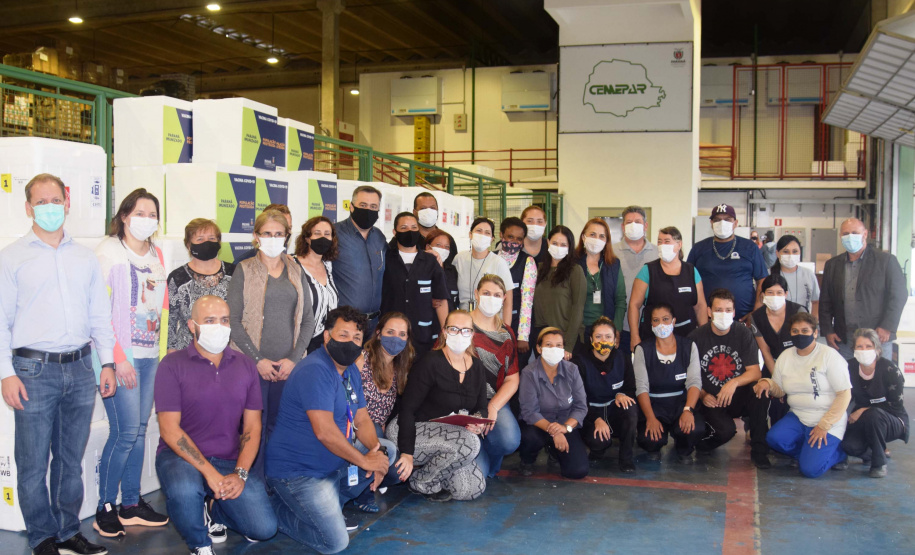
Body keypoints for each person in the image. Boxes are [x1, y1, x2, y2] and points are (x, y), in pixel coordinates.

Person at [0, 173, 117, 555]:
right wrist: (6, 373)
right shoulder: (11, 257)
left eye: (56, 200)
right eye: (41, 201)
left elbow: (100, 315)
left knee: (70, 460)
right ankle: (42, 537)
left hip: (81, 367)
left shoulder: (84, 257)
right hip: (32, 371)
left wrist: (107, 363)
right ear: (28, 207)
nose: (50, 207)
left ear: (67, 204)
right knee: (33, 462)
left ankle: (68, 531)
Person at [155, 296, 277, 555]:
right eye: (209, 320)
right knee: (185, 491)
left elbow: (252, 427)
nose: (218, 327)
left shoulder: (245, 365)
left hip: (227, 459)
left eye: (224, 320)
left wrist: (240, 474)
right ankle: (200, 543)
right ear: (192, 325)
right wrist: (211, 475)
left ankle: (215, 509)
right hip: (180, 458)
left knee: (264, 529)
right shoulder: (171, 365)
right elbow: (169, 429)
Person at [266, 306, 394, 552]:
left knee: (386, 449)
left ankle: (329, 506)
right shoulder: (315, 370)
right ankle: (275, 510)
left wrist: (376, 453)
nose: (350, 342)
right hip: (299, 472)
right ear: (327, 336)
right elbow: (324, 432)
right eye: (343, 335)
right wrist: (365, 461)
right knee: (334, 543)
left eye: (356, 337)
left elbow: (362, 420)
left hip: (333, 464)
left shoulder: (350, 370)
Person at [93, 188, 169, 537]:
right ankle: (105, 506)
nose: (146, 219)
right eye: (139, 213)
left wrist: (161, 354)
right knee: (124, 433)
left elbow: (161, 308)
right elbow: (99, 312)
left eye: (152, 214)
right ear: (124, 216)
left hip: (150, 355)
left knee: (138, 431)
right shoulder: (108, 252)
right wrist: (116, 360)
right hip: (120, 358)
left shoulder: (156, 253)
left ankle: (131, 504)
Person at [226, 210, 315, 458]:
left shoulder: (296, 270)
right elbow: (233, 320)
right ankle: (251, 476)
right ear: (256, 236)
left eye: (279, 234)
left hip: (287, 367)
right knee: (252, 429)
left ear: (287, 236)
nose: (273, 239)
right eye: (267, 233)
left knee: (281, 428)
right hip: (251, 365)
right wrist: (258, 360)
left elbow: (307, 320)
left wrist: (293, 359)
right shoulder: (244, 270)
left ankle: (276, 476)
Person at [387, 310, 489, 502]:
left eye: (465, 330)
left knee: (471, 490)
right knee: (470, 444)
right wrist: (407, 453)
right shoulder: (430, 362)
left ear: (472, 334)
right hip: (410, 430)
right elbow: (408, 409)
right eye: (454, 329)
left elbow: (482, 407)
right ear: (444, 331)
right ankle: (421, 482)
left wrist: (477, 421)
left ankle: (430, 472)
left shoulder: (477, 366)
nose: (460, 334)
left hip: (453, 439)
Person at [754, 312, 852, 478]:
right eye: (795, 331)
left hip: (827, 419)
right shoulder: (785, 356)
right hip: (798, 416)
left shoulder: (829, 356)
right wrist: (767, 383)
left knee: (810, 471)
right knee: (774, 439)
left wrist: (824, 425)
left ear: (815, 333)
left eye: (805, 331)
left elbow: (844, 394)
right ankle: (809, 454)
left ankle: (838, 454)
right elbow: (780, 389)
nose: (800, 335)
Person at [689, 289, 770, 468]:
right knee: (725, 432)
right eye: (718, 310)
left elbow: (755, 372)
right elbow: (689, 376)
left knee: (759, 391)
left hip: (737, 396)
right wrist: (702, 394)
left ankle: (759, 451)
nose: (723, 314)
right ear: (709, 311)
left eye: (728, 310)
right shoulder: (696, 337)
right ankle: (701, 442)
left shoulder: (743, 333)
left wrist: (733, 383)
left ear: (734, 312)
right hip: (711, 399)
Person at [819, 217, 908, 360]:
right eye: (846, 233)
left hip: (877, 336)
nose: (850, 237)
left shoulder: (886, 261)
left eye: (855, 232)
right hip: (844, 339)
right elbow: (825, 301)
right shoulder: (832, 265)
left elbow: (898, 295)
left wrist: (887, 326)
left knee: (878, 373)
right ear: (840, 236)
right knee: (846, 374)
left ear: (865, 234)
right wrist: (828, 330)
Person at [633, 304, 706, 464]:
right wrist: (650, 418)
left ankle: (683, 448)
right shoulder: (642, 350)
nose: (661, 324)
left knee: (694, 429)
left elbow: (694, 382)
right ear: (651, 324)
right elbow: (641, 388)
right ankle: (655, 446)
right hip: (655, 406)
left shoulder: (689, 346)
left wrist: (688, 410)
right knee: (649, 439)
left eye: (665, 319)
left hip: (681, 404)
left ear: (674, 321)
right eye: (656, 320)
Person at [518, 328, 589, 479]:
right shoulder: (529, 373)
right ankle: (527, 460)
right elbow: (529, 412)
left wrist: (565, 428)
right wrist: (555, 432)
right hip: (538, 424)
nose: (554, 349)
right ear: (539, 348)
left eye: (558, 345)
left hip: (565, 423)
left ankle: (553, 451)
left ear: (563, 348)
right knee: (531, 438)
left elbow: (581, 407)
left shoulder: (572, 369)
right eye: (548, 345)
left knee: (578, 471)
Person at [469, 275, 521, 478]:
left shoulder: (506, 333)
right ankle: (475, 447)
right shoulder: (460, 325)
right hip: (462, 401)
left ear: (504, 299)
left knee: (509, 440)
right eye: (486, 293)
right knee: (478, 474)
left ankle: (486, 449)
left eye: (497, 295)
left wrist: (493, 407)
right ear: (476, 294)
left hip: (493, 399)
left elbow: (512, 378)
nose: (491, 298)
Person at [572, 317, 637, 473]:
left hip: (614, 410)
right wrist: (596, 419)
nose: (603, 341)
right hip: (590, 413)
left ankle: (626, 459)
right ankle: (597, 450)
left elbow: (630, 388)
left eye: (608, 337)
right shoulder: (579, 362)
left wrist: (622, 394)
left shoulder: (623, 358)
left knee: (631, 409)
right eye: (598, 336)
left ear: (615, 340)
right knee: (599, 441)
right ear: (591, 340)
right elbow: (578, 400)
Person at [381, 212, 449, 359]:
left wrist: (446, 332)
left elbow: (441, 299)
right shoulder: (386, 259)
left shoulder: (430, 261)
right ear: (394, 232)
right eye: (404, 228)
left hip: (422, 336)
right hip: (392, 337)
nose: (409, 231)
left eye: (413, 227)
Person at [842, 328, 908, 478]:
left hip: (892, 419)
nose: (864, 350)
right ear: (853, 349)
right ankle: (873, 453)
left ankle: (879, 464)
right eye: (859, 346)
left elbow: (896, 405)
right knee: (849, 445)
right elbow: (845, 396)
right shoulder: (849, 367)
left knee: (874, 415)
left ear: (877, 349)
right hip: (863, 418)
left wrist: (863, 410)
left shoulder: (890, 370)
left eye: (868, 346)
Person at [628, 227, 707, 351]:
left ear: (679, 245)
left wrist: (704, 335)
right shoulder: (648, 271)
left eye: (667, 241)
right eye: (659, 242)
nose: (662, 245)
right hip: (653, 337)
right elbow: (634, 305)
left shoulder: (691, 271)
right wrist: (634, 336)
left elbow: (700, 306)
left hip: (686, 335)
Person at [687, 204, 767, 320]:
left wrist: (755, 313)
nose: (722, 223)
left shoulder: (750, 247)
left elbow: (762, 281)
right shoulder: (699, 249)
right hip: (708, 319)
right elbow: (688, 281)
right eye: (717, 220)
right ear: (711, 223)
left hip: (744, 318)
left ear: (735, 223)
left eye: (727, 219)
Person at [167, 219, 235, 352]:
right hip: (187, 351)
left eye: (212, 238)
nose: (206, 243)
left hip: (227, 350)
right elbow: (170, 321)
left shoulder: (234, 273)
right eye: (200, 239)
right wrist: (171, 352)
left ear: (219, 242)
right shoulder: (177, 277)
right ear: (188, 245)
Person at [334, 185, 387, 335]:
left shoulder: (379, 237)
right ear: (351, 207)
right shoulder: (335, 233)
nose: (368, 210)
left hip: (374, 324)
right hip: (345, 324)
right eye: (363, 205)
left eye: (373, 206)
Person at [532, 225, 586, 359]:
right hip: (542, 335)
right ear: (548, 242)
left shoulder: (575, 270)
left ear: (569, 247)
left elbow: (578, 308)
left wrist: (568, 345)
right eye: (555, 243)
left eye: (563, 244)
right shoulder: (538, 269)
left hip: (565, 337)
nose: (558, 247)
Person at [613, 205, 659, 358]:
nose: (633, 225)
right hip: (620, 328)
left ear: (645, 225)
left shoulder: (657, 253)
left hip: (652, 327)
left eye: (638, 222)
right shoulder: (611, 252)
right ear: (622, 227)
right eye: (629, 222)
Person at [575, 218, 627, 351]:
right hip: (577, 330)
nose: (596, 239)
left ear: (606, 241)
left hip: (605, 331)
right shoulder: (572, 263)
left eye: (601, 236)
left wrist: (616, 329)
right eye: (592, 234)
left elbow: (620, 300)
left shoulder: (613, 265)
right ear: (583, 237)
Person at [453, 217, 514, 325]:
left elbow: (508, 301)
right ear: (470, 234)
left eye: (487, 233)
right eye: (478, 231)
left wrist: (506, 329)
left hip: (491, 322)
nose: (482, 235)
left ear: (492, 239)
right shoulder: (459, 259)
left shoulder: (499, 262)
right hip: (464, 322)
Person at [293, 216, 339, 354]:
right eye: (317, 233)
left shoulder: (328, 266)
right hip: (300, 343)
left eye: (327, 234)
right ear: (307, 238)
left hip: (325, 341)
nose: (323, 238)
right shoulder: (292, 265)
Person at [495, 217, 537, 369]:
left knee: (515, 371)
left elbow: (527, 301)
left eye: (519, 239)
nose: (514, 242)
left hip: (516, 326)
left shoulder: (528, 262)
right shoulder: (491, 258)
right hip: (491, 325)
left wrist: (523, 337)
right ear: (501, 235)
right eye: (510, 237)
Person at [749, 274, 807, 378]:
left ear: (786, 294)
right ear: (763, 295)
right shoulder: (756, 317)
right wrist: (777, 378)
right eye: (770, 292)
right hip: (772, 366)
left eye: (779, 292)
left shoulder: (798, 311)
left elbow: (806, 346)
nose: (774, 296)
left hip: (800, 366)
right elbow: (765, 351)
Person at [768, 235, 819, 314]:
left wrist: (813, 320)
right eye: (786, 252)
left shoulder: (808, 274)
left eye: (795, 251)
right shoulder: (768, 274)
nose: (790, 255)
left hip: (803, 320)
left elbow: (816, 302)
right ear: (777, 253)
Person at [424, 228, 460, 311]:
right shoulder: (421, 269)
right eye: (438, 245)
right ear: (428, 247)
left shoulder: (452, 270)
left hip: (451, 316)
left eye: (447, 247)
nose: (443, 249)